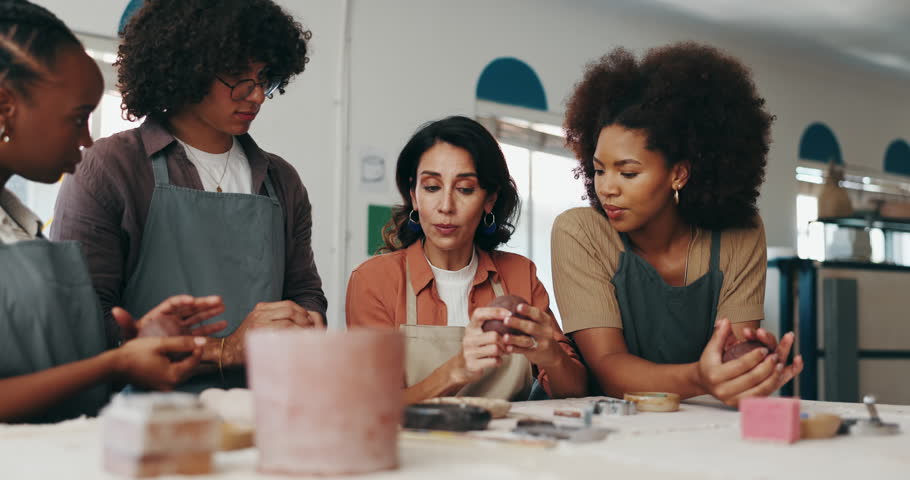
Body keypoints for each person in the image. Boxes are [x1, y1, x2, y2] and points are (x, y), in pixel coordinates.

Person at [50, 0, 327, 392]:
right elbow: (79, 326)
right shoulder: (110, 169)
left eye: (263, 76)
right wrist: (223, 349)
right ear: (185, 68)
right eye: (236, 76)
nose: (257, 95)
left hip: (258, 415)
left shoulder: (281, 180)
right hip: (140, 421)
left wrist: (304, 321)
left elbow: (305, 293)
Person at [0, 0, 225, 423]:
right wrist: (114, 365)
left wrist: (134, 341)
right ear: (3, 107)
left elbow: (39, 362)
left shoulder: (20, 229)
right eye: (78, 117)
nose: (87, 140)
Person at [552, 42, 803, 407]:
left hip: (696, 427)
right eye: (599, 169)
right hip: (603, 425)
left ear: (679, 174)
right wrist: (701, 377)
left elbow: (732, 368)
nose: (606, 187)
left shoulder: (741, 233)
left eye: (628, 172)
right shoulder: (579, 232)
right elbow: (607, 370)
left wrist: (751, 369)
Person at [347, 116, 587, 403]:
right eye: (432, 187)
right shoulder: (374, 281)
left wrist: (552, 357)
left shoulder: (519, 274)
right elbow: (374, 408)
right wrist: (456, 371)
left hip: (508, 446)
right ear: (413, 195)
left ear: (489, 200)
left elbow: (576, 393)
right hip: (415, 447)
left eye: (465, 189)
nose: (446, 207)